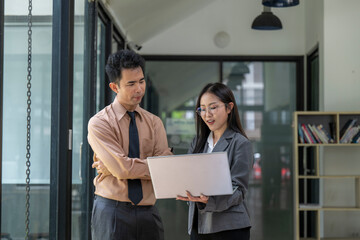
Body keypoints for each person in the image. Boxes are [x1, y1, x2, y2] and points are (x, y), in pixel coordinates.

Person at [88, 49, 172, 240]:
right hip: (112, 211)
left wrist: (114, 167)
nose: (139, 89)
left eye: (141, 81)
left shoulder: (154, 122)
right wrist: (120, 167)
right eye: (131, 84)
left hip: (149, 212)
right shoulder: (100, 123)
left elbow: (166, 168)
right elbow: (122, 169)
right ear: (114, 87)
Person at [177, 82, 253, 240]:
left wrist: (210, 200)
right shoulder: (197, 142)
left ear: (229, 108)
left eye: (213, 107)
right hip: (199, 224)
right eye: (202, 109)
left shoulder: (240, 143)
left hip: (230, 227)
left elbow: (239, 191)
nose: (207, 114)